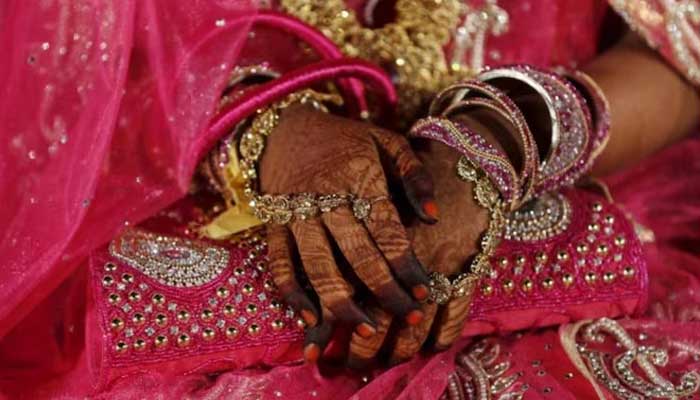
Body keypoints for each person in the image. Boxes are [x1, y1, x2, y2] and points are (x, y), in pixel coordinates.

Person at [1, 1, 699, 399]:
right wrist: (260, 131)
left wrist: (502, 136)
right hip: (161, 219)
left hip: (546, 210)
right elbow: (48, 61)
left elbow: (679, 51)